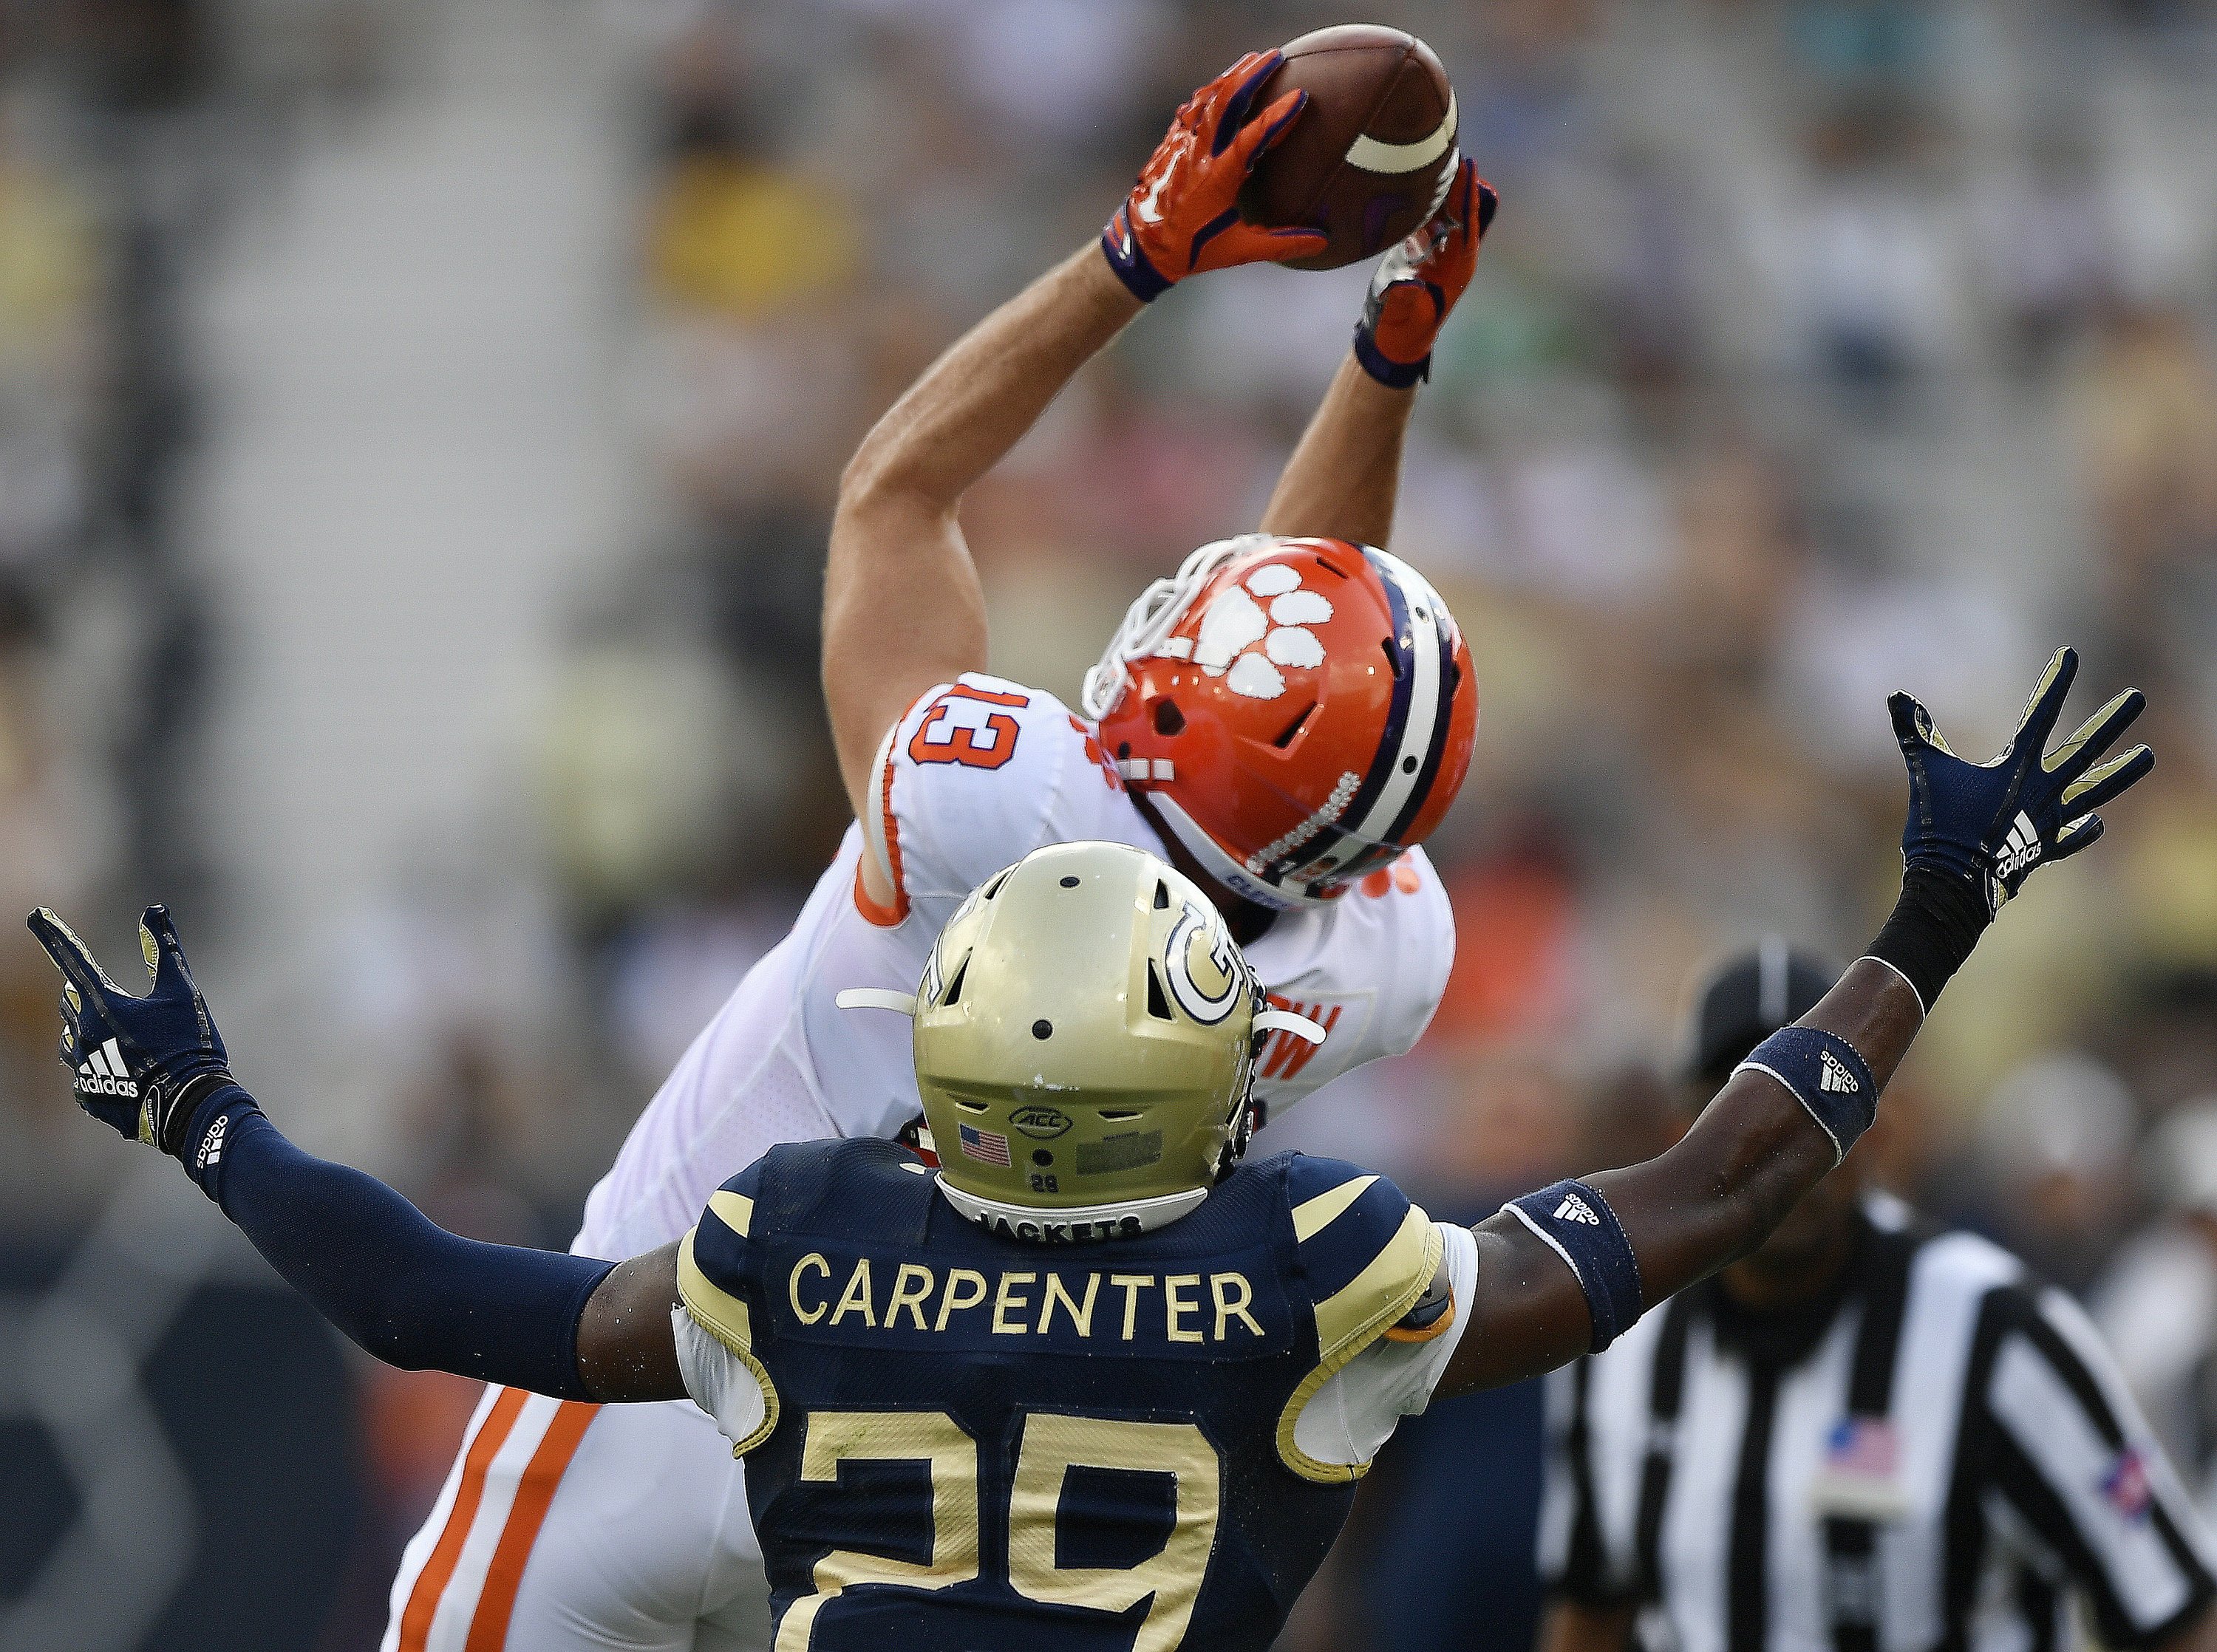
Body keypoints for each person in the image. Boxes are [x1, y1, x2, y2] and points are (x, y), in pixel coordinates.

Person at [38, 647, 2153, 1649]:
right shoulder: (1312, 1258)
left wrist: (200, 1108)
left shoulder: (798, 1231)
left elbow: (426, 1299)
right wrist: (1932, 924)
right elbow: (1709, 1192)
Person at [379, 47, 1497, 1650]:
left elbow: (898, 492)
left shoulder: (994, 803)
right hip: (928, 1472)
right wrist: (1388, 361)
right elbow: (1311, 682)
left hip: (656, 1363)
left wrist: (1138, 255)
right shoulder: (1376, 950)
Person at [1537, 935, 2217, 1652]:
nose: (1779, 1143)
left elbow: (2173, 1612)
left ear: (1879, 1129)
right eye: (1738, 1107)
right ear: (1682, 1136)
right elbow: (1590, 1610)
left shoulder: (2004, 1334)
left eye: (1817, 1101)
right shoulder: (1620, 1338)